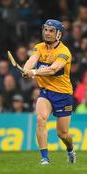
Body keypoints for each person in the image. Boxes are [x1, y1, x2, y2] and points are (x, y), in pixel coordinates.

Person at [23, 19, 76, 165]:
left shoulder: (64, 52)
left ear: (59, 34)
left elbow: (53, 69)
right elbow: (32, 60)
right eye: (46, 30)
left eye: (51, 31)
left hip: (63, 95)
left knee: (63, 134)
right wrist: (26, 69)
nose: (47, 33)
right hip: (46, 92)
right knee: (40, 118)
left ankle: (70, 149)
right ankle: (44, 158)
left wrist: (33, 72)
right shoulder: (38, 47)